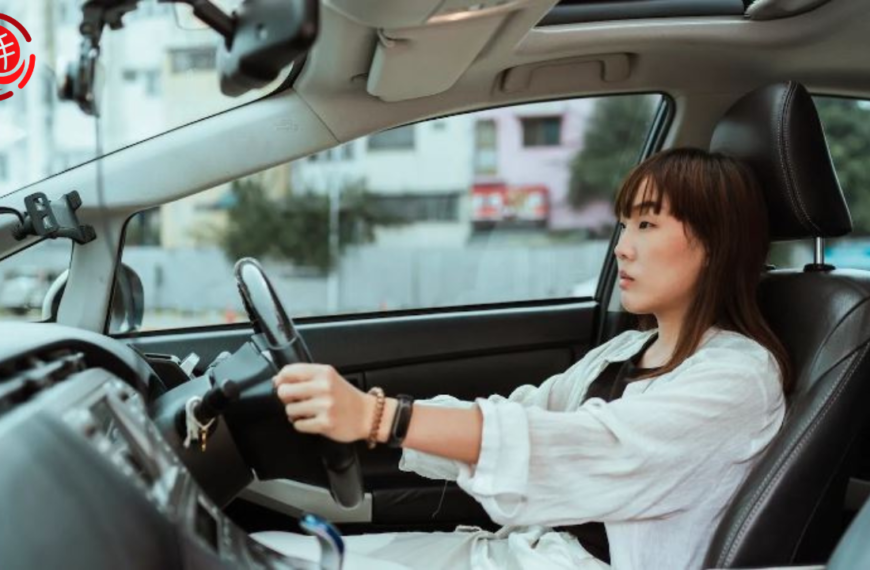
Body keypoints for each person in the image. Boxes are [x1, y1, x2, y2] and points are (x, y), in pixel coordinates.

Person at [254, 147, 790, 570]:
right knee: (262, 552)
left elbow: (575, 447)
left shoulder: (739, 377)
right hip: (521, 552)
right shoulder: (628, 349)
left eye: (646, 226)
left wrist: (381, 418)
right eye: (624, 225)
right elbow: (526, 412)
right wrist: (372, 422)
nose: (621, 247)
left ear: (715, 244)